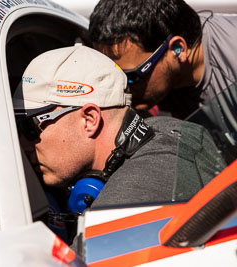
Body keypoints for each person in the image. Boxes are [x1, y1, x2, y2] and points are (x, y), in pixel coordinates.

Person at [13, 45, 226, 213]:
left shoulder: (126, 202)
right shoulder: (178, 129)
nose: (23, 144)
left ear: (89, 119)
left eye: (29, 126)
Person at [89, 0, 237, 161]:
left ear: (177, 49)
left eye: (131, 77)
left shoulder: (231, 58)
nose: (123, 87)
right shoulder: (164, 66)